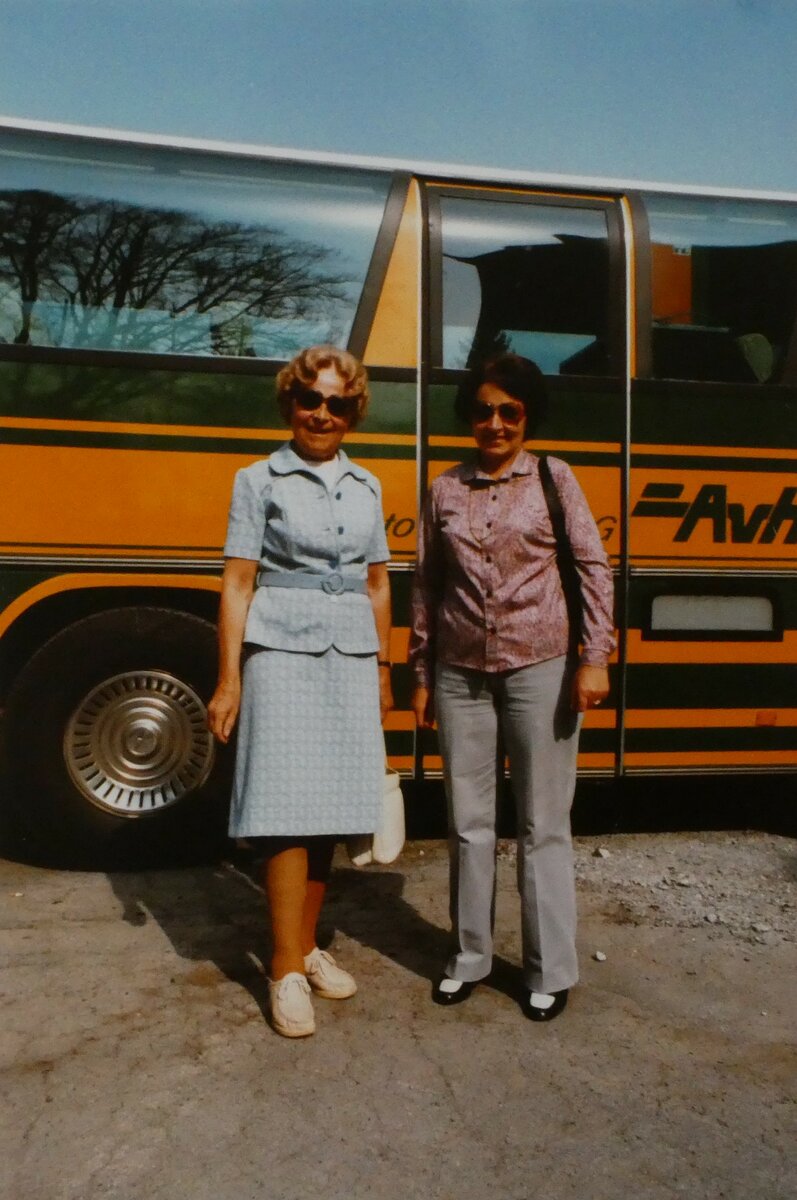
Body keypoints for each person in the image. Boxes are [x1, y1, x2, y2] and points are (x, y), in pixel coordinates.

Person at [409, 353, 613, 1022]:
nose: (494, 423)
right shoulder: (444, 489)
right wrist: (418, 672)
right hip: (459, 674)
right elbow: (425, 587)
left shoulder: (554, 478)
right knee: (467, 823)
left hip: (540, 667)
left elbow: (592, 569)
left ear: (527, 418)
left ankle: (548, 969)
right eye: (483, 410)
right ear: (469, 416)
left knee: (540, 823)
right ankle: (468, 957)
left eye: (509, 412)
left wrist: (594, 658)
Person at [208, 345, 393, 1038]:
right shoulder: (257, 479)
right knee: (284, 809)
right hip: (279, 650)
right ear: (290, 402)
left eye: (336, 403)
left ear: (352, 414)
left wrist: (383, 672)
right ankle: (284, 968)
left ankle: (306, 946)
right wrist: (228, 679)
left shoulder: (367, 486)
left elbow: (377, 585)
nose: (322, 413)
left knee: (328, 810)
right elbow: (236, 582)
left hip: (348, 654)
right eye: (310, 399)